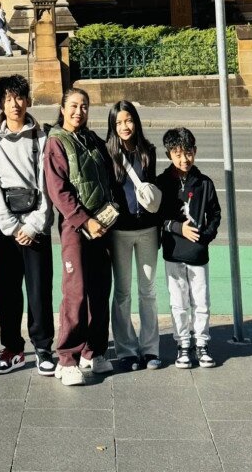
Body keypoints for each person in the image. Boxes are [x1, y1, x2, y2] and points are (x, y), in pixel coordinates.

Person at [44, 87, 116, 386]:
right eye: (73, 106)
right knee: (75, 292)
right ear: (62, 108)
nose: (79, 111)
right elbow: (58, 190)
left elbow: (108, 178)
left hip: (102, 226)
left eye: (84, 106)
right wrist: (85, 221)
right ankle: (67, 358)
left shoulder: (92, 140)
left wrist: (106, 216)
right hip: (76, 228)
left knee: (100, 290)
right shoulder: (56, 142)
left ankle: (93, 351)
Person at [0, 74, 55, 377]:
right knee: (7, 290)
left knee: (39, 290)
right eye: (8, 99)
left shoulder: (42, 137)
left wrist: (35, 225)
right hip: (8, 227)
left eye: (19, 97)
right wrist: (12, 227)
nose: (14, 104)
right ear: (1, 103)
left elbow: (48, 185)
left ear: (28, 100)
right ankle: (12, 348)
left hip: (36, 225)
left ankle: (43, 348)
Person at [156, 126, 221, 370]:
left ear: (195, 151)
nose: (184, 159)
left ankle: (202, 343)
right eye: (178, 154)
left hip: (198, 253)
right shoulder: (162, 183)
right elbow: (157, 216)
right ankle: (183, 344)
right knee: (178, 302)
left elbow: (215, 213)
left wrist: (205, 237)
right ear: (169, 155)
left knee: (201, 301)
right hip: (173, 252)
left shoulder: (204, 183)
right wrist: (177, 228)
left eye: (189, 153)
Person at [105, 101, 162, 372]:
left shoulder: (148, 151)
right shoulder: (109, 154)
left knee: (148, 291)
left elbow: (152, 189)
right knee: (122, 293)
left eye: (128, 120)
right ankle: (126, 349)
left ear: (136, 122)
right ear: (112, 126)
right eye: (118, 123)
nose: (124, 127)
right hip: (120, 232)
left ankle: (151, 349)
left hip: (148, 230)